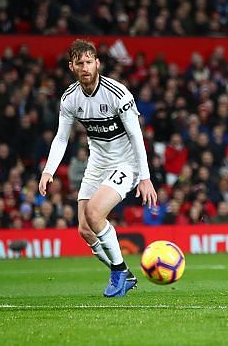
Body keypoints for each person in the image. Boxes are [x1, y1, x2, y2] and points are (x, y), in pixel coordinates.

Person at [39, 39, 157, 297]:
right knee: (84, 229)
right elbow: (61, 137)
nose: (85, 67)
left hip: (125, 163)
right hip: (97, 163)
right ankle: (125, 272)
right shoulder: (70, 99)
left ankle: (118, 272)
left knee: (94, 213)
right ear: (72, 66)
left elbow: (137, 135)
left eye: (89, 62)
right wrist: (48, 170)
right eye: (79, 63)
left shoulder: (117, 93)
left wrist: (144, 177)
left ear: (98, 63)